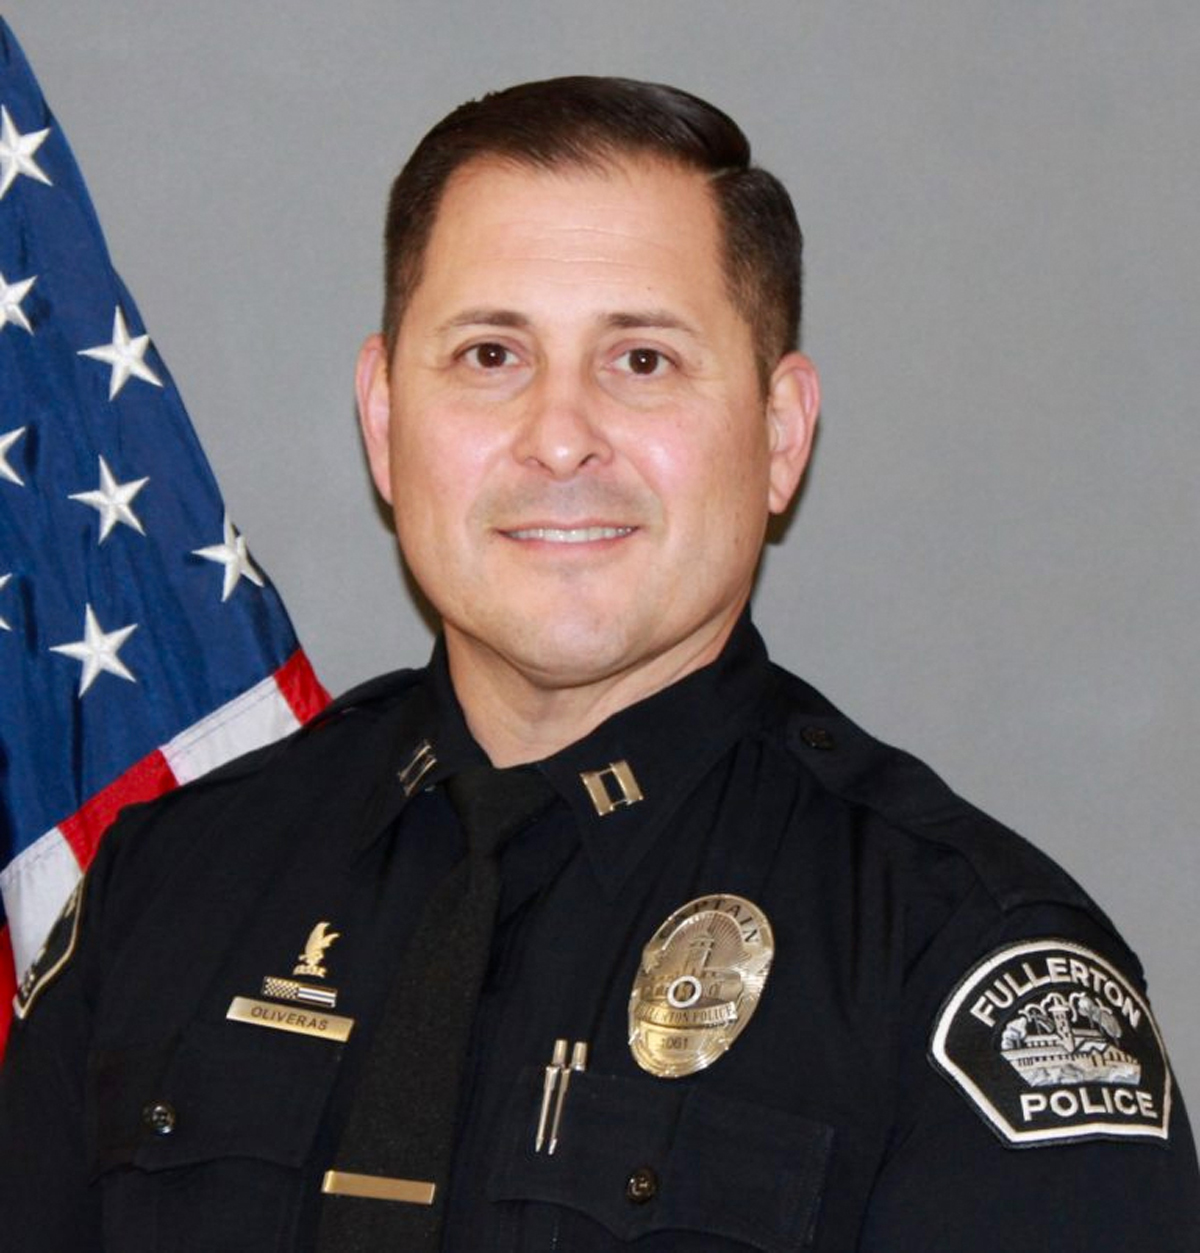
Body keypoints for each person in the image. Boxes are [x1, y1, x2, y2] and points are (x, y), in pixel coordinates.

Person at [1, 76, 1197, 1251]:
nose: (561, 437)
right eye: (490, 355)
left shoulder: (950, 960)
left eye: (643, 361)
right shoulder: (165, 888)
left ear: (780, 434)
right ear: (385, 419)